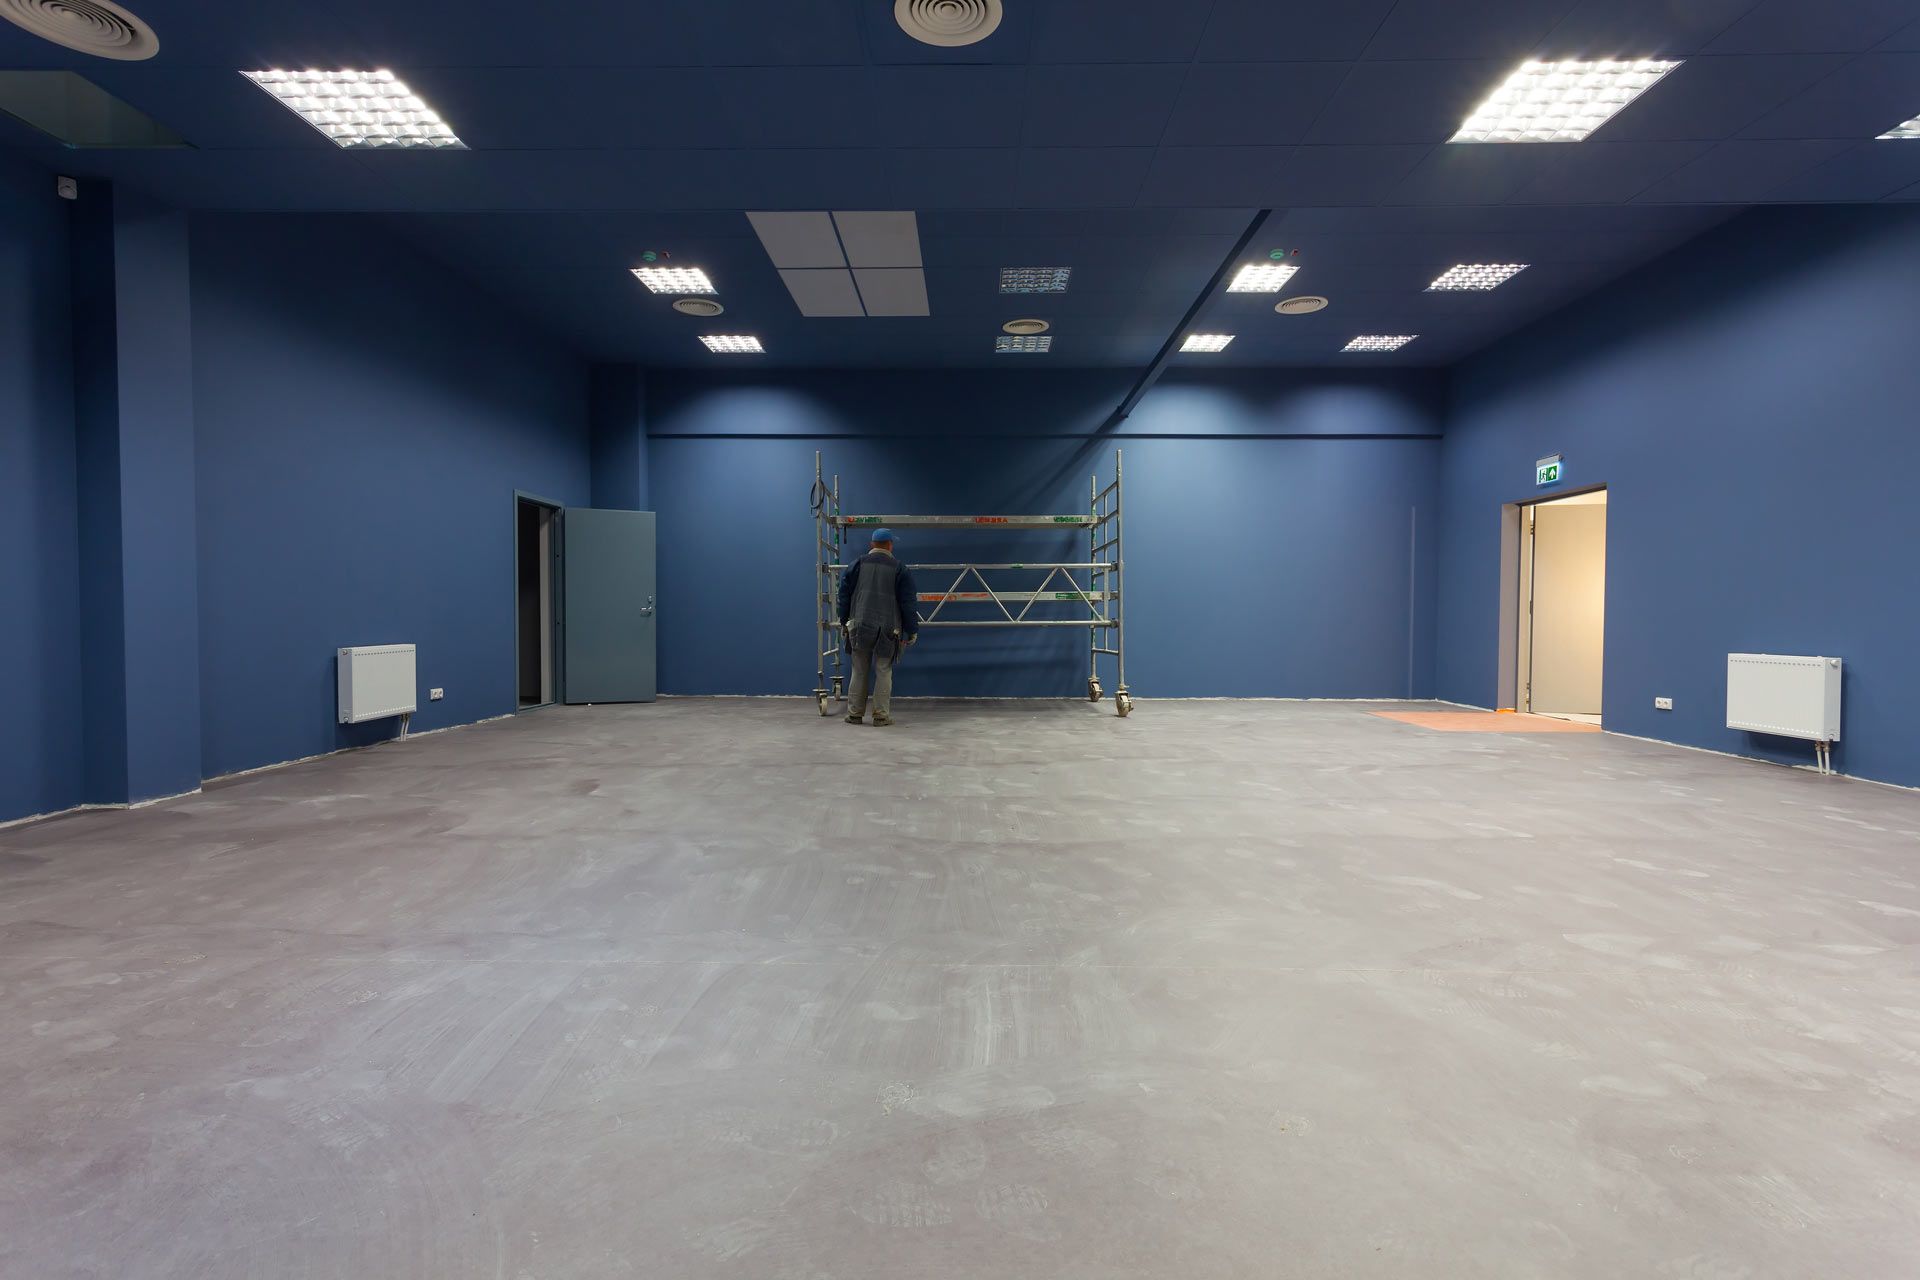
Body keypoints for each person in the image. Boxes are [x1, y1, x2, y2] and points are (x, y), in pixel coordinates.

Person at [836, 527, 919, 726]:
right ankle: (880, 716)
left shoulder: (857, 564)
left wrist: (843, 621)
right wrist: (912, 630)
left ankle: (855, 714)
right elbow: (908, 603)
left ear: (872, 544)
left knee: (859, 670)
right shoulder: (900, 569)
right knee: (883, 670)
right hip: (889, 628)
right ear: (890, 545)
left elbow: (843, 595)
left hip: (859, 625)